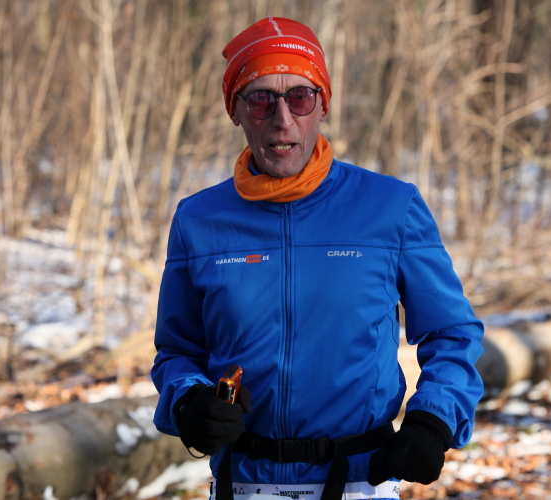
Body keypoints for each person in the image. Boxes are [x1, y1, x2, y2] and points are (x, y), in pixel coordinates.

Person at [151, 16, 484, 500]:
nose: (282, 119)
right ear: (235, 111)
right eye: (260, 99)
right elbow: (177, 351)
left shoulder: (391, 207)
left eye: (300, 97)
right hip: (242, 483)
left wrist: (433, 419)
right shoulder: (199, 220)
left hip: (359, 481)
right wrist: (188, 403)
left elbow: (452, 331)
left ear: (323, 104)